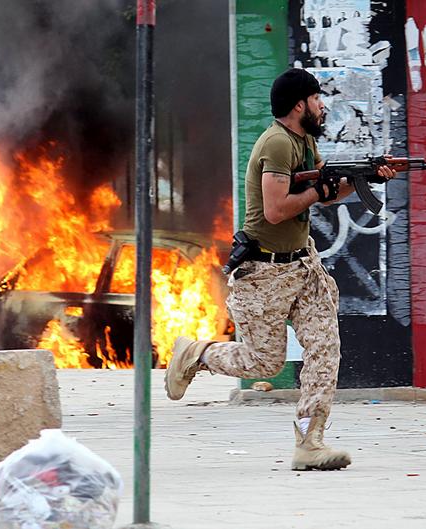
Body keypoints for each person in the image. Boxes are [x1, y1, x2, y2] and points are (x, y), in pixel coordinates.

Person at [165, 68, 396, 471]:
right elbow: (275, 210)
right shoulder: (276, 144)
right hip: (264, 271)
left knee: (325, 349)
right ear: (299, 104)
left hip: (303, 266)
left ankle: (310, 442)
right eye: (317, 99)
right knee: (264, 362)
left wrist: (366, 178)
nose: (323, 106)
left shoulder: (304, 141)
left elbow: (321, 195)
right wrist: (318, 191)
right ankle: (196, 354)